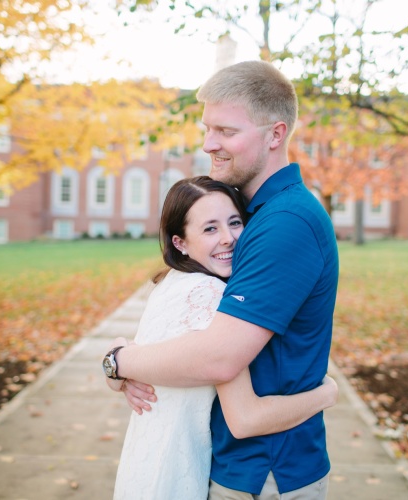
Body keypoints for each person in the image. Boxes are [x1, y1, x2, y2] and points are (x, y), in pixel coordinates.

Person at [103, 60, 339, 498]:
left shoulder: (285, 222)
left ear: (275, 134)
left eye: (226, 131)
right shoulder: (256, 216)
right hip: (238, 464)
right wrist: (121, 363)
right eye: (207, 129)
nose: (210, 144)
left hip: (265, 472)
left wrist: (120, 360)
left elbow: (219, 358)